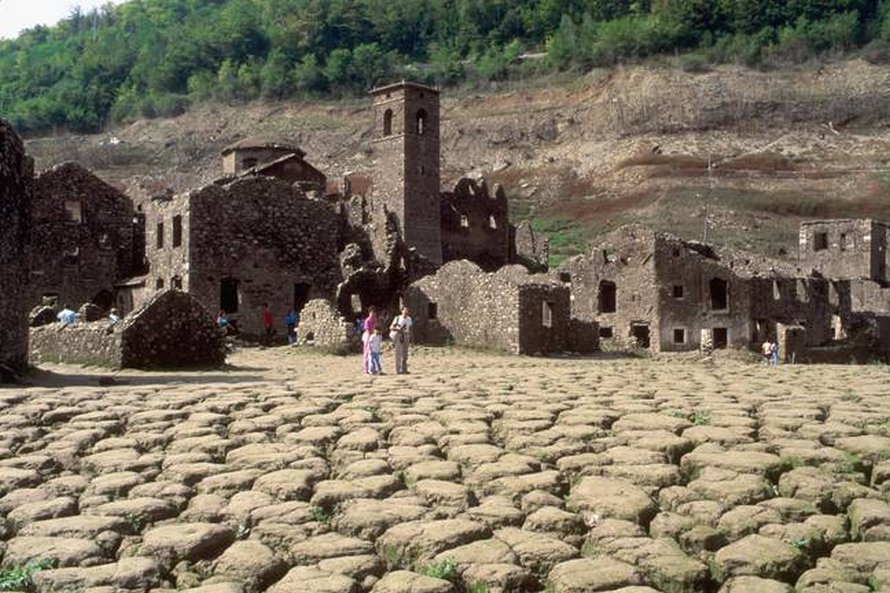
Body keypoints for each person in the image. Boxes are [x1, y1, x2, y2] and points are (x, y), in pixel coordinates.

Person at [390, 306, 413, 375]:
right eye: (404, 310)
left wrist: (412, 339)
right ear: (402, 311)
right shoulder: (398, 318)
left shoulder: (409, 319)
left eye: (407, 311)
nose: (406, 312)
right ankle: (398, 369)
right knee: (398, 353)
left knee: (405, 353)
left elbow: (411, 329)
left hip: (406, 335)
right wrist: (398, 329)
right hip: (399, 335)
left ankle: (404, 369)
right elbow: (391, 327)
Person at [361, 307, 378, 374]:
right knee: (367, 352)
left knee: (373, 353)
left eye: (374, 312)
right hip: (368, 336)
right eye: (371, 312)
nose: (373, 314)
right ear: (369, 313)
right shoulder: (367, 320)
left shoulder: (375, 319)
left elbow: (376, 327)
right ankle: (366, 369)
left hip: (373, 336)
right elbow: (368, 330)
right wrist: (372, 334)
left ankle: (372, 368)